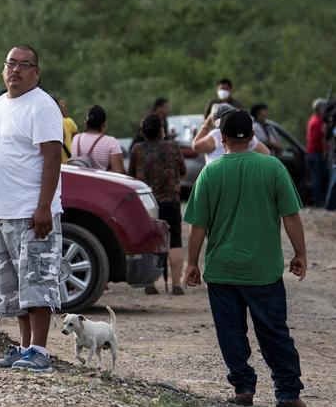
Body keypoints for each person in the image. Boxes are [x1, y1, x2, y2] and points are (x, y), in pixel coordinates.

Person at [184, 109, 308, 407]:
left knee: (230, 332)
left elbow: (197, 226)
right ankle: (288, 393)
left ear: (221, 139)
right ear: (253, 137)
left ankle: (243, 388)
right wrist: (300, 254)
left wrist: (191, 263)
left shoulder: (210, 173)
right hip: (263, 271)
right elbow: (290, 216)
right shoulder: (273, 168)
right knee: (274, 332)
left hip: (223, 272)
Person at [0, 45, 64, 373]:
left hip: (30, 211)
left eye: (25, 65)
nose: (17, 70)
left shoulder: (42, 106)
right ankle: (24, 348)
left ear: (36, 72)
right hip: (0, 211)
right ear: (3, 68)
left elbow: (53, 158)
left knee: (37, 281)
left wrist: (43, 207)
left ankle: (39, 350)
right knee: (15, 288)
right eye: (11, 63)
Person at [128, 114, 187, 295]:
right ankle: (176, 284)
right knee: (175, 241)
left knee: (151, 242)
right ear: (161, 129)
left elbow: (131, 175)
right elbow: (183, 171)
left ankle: (150, 284)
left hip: (147, 203)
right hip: (171, 200)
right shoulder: (173, 147)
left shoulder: (137, 149)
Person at [194, 104, 270, 164]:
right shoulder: (246, 134)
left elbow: (196, 146)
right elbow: (266, 153)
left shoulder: (216, 134)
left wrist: (206, 125)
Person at [71, 105, 125, 173]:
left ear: (86, 123)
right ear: (104, 124)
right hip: (101, 183)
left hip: (79, 182)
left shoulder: (76, 139)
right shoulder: (111, 142)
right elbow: (119, 173)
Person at [305, 98, 329, 207]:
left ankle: (318, 201)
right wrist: (325, 151)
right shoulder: (319, 121)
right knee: (318, 179)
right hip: (316, 153)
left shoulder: (313, 119)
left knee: (316, 178)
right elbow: (321, 138)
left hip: (311, 152)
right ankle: (319, 202)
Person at [55, 96, 79, 163]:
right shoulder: (69, 122)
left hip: (54, 159)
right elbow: (77, 137)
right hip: (67, 159)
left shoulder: (47, 121)